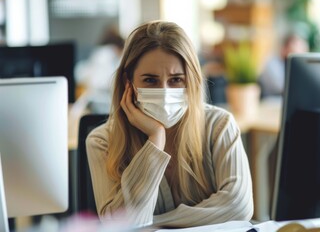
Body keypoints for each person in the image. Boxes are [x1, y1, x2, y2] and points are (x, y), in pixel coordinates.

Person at [86, 20, 254, 228]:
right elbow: (121, 224)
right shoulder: (102, 141)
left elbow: (238, 206)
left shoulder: (219, 126)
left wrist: (153, 225)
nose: (164, 91)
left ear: (191, 80)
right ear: (127, 83)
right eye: (150, 80)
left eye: (176, 80)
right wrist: (155, 139)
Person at [258, 33, 309, 98]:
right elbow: (282, 88)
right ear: (284, 48)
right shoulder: (272, 63)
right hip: (270, 101)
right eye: (293, 50)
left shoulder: (294, 67)